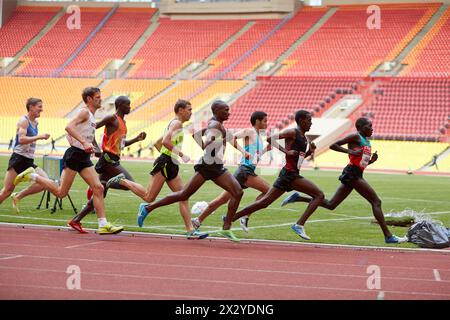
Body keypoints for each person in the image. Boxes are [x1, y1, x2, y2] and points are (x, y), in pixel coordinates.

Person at [14, 87, 123, 235]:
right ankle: (32, 176)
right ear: (89, 99)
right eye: (97, 97)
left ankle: (103, 224)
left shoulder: (91, 116)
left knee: (98, 188)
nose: (100, 99)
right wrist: (84, 142)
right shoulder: (84, 112)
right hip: (74, 155)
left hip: (83, 157)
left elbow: (80, 134)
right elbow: (69, 127)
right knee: (61, 193)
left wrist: (93, 147)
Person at [131, 100, 243, 242]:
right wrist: (209, 146)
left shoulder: (217, 124)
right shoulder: (215, 125)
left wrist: (214, 151)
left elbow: (197, 135)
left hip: (215, 166)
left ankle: (225, 228)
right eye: (225, 110)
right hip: (208, 166)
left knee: (236, 192)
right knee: (183, 194)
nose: (229, 112)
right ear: (217, 111)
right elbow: (208, 139)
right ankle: (148, 207)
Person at [281, 117, 407, 244]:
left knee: (331, 205)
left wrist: (370, 161)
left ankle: (298, 197)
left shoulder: (366, 141)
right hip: (352, 174)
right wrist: (350, 151)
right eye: (370, 126)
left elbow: (360, 162)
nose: (372, 128)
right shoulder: (355, 136)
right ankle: (388, 236)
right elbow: (333, 145)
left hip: (356, 173)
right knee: (376, 201)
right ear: (362, 127)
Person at [106, 99, 208, 240]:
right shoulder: (176, 123)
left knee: (183, 196)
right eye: (189, 109)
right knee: (149, 197)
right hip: (165, 163)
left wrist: (170, 155)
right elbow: (165, 141)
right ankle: (123, 181)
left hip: (170, 162)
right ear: (180, 110)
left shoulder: (176, 124)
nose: (191, 112)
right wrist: (181, 154)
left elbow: (157, 142)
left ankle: (190, 230)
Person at [230, 110, 324, 241]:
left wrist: (310, 152)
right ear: (301, 120)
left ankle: (231, 217)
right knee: (319, 195)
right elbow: (270, 138)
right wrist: (286, 151)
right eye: (309, 120)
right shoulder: (293, 132)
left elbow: (298, 160)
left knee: (264, 202)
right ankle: (299, 224)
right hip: (290, 175)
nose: (311, 123)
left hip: (290, 174)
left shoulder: (305, 138)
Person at [67, 96, 146, 233]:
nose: (130, 107)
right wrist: (96, 147)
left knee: (99, 194)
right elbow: (91, 130)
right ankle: (109, 182)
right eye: (128, 105)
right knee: (128, 183)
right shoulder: (111, 118)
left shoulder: (123, 123)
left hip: (114, 158)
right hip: (108, 159)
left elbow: (121, 144)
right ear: (120, 105)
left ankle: (76, 220)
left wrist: (136, 139)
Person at [192, 111, 271, 233]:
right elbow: (231, 137)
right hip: (245, 171)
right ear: (257, 121)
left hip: (245, 171)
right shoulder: (250, 131)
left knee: (222, 199)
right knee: (268, 191)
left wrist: (266, 150)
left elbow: (255, 156)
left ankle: (197, 220)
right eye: (265, 121)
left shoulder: (258, 137)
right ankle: (243, 216)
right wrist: (243, 152)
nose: (267, 123)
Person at [0, 98, 50, 212]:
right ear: (31, 107)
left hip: (28, 161)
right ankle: (14, 194)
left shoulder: (35, 122)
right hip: (18, 159)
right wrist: (39, 137)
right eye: (39, 107)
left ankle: (18, 196)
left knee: (45, 183)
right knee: (6, 191)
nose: (41, 109)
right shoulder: (24, 121)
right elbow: (21, 139)